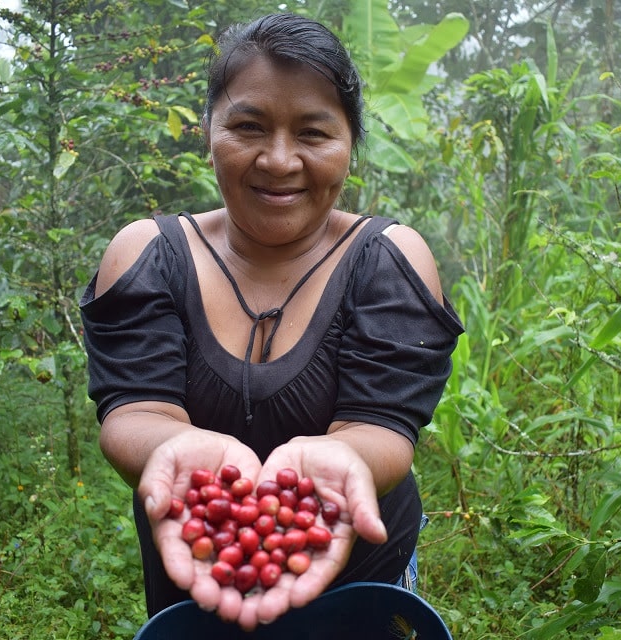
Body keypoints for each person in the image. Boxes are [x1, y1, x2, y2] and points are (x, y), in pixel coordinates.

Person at [79, 12, 464, 632]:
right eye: (249, 126)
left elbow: (383, 430)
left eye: (313, 133)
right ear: (209, 130)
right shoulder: (147, 255)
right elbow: (133, 413)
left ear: (350, 144)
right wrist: (179, 450)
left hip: (361, 585)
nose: (279, 160)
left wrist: (333, 460)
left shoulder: (389, 261)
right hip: (199, 585)